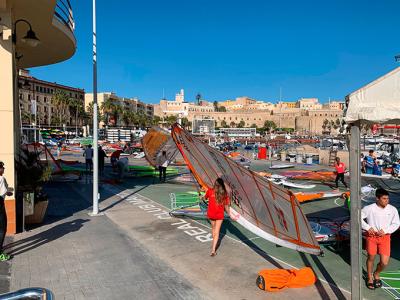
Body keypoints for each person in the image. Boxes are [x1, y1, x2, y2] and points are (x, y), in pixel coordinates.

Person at [361, 188, 400, 290]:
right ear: (377, 198)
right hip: (372, 237)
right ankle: (369, 277)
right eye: (384, 199)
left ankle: (376, 273)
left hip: (385, 238)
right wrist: (367, 227)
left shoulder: (392, 209)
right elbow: (357, 217)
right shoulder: (369, 208)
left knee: (384, 262)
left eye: (387, 199)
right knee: (371, 258)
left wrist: (386, 230)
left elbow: (396, 224)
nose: (387, 201)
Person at [205, 178, 238, 256]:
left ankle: (214, 242)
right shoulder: (224, 194)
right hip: (219, 215)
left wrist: (202, 197)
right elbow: (226, 207)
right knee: (217, 232)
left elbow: (205, 197)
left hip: (211, 214)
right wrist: (231, 215)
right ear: (222, 185)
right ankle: (213, 250)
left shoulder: (210, 191)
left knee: (213, 228)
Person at [0, 162, 12, 261]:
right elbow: (3, 193)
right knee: (3, 229)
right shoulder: (1, 179)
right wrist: (8, 192)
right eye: (2, 167)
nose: (4, 169)